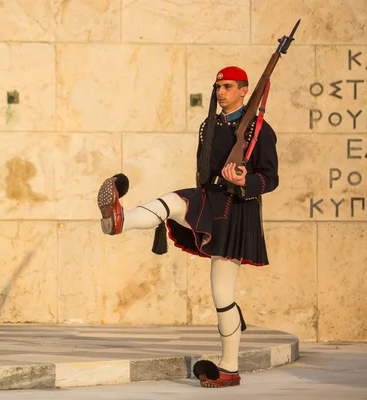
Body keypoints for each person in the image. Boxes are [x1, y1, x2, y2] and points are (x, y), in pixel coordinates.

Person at [97, 66, 279, 388]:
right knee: (171, 201)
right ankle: (120, 221)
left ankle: (230, 367)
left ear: (243, 90)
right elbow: (204, 170)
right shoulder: (208, 125)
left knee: (222, 295)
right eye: (218, 87)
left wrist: (245, 180)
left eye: (227, 87)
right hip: (209, 197)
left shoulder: (259, 130)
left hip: (237, 210)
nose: (220, 92)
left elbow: (270, 178)